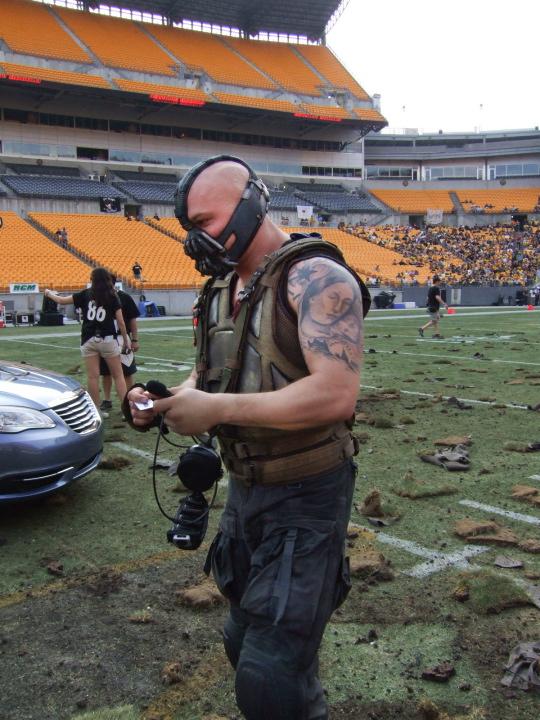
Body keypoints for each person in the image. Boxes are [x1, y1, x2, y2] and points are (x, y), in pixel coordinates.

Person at [124, 155, 371, 720]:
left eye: (205, 223)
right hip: (244, 490)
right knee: (242, 638)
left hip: (308, 492)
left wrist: (213, 407)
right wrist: (165, 402)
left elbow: (336, 395)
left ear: (252, 202)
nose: (196, 241)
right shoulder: (219, 290)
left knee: (271, 670)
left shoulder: (317, 278)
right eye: (189, 227)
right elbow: (208, 378)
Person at [45, 267, 131, 414]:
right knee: (118, 375)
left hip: (88, 339)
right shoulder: (112, 296)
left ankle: (96, 410)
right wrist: (126, 341)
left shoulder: (85, 294)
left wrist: (49, 293)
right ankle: (126, 411)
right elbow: (121, 322)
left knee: (92, 377)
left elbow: (61, 300)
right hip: (107, 338)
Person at [99, 274, 140, 412]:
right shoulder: (98, 297)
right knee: (105, 372)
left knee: (127, 372)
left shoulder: (124, 298)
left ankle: (129, 400)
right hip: (105, 338)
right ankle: (107, 399)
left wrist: (134, 339)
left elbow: (132, 320)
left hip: (122, 338)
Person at [418, 274, 448, 338]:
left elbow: (427, 298)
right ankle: (422, 329)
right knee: (435, 320)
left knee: (436, 320)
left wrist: (428, 304)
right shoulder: (436, 288)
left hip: (431, 306)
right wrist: (444, 304)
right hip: (434, 306)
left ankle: (436, 334)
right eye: (439, 281)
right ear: (437, 281)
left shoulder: (431, 288)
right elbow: (437, 297)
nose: (440, 282)